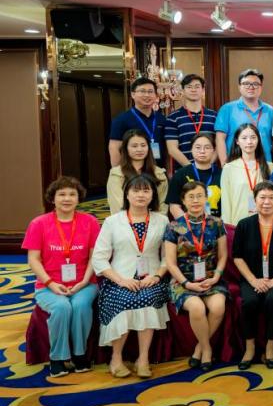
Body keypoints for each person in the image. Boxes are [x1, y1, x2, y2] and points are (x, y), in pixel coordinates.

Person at [91, 175, 170, 378]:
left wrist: (157, 276)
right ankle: (116, 358)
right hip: (120, 277)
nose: (141, 195)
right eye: (136, 190)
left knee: (148, 300)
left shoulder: (162, 220)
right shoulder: (112, 222)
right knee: (124, 301)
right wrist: (121, 280)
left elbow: (167, 257)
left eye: (146, 190)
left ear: (153, 195)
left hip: (151, 277)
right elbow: (99, 258)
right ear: (127, 194)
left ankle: (143, 359)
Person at [23, 176, 101, 377]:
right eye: (62, 194)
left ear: (79, 198)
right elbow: (33, 259)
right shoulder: (39, 223)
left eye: (72, 194)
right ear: (53, 198)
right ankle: (57, 358)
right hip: (48, 285)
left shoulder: (90, 222)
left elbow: (95, 257)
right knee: (61, 307)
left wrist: (84, 281)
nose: (67, 199)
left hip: (84, 283)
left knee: (81, 305)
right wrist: (51, 283)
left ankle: (79, 355)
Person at [162, 180, 228, 371]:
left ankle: (198, 348)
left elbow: (223, 255)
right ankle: (206, 350)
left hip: (211, 279)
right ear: (183, 200)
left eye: (199, 196)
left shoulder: (216, 223)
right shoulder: (174, 226)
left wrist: (216, 276)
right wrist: (187, 283)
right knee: (197, 308)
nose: (196, 200)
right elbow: (170, 263)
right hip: (183, 281)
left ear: (206, 198)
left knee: (218, 307)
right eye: (191, 197)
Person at [232, 181, 273, 370]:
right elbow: (237, 257)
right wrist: (253, 280)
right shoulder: (244, 225)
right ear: (255, 200)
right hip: (252, 278)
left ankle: (271, 346)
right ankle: (250, 347)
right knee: (249, 301)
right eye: (262, 197)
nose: (266, 202)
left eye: (271, 198)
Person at [215, 68, 273, 164]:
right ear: (239, 87)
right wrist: (224, 164)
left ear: (261, 87)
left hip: (264, 165)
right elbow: (220, 139)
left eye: (255, 84)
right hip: (236, 165)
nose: (251, 87)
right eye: (246, 83)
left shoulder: (271, 111)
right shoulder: (227, 109)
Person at [219, 123, 273, 226]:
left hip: (265, 223)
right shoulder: (229, 168)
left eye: (253, 137)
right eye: (244, 138)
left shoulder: (269, 167)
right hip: (238, 224)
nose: (249, 142)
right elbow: (226, 202)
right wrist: (228, 227)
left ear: (258, 140)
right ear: (237, 141)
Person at [108, 77, 168, 166]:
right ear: (133, 94)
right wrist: (117, 171)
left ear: (156, 95)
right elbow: (114, 148)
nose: (147, 95)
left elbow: (167, 147)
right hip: (133, 170)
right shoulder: (121, 120)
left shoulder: (162, 118)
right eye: (142, 91)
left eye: (150, 91)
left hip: (159, 170)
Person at [106, 129, 168, 215]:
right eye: (134, 146)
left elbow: (162, 205)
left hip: (155, 220)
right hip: (125, 221)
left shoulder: (159, 173)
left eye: (143, 145)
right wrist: (135, 220)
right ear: (126, 148)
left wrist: (154, 221)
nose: (139, 149)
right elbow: (117, 206)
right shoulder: (116, 174)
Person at [166, 133, 221, 219]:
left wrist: (218, 224)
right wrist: (189, 224)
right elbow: (174, 207)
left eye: (207, 147)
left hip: (217, 223)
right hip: (188, 224)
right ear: (191, 149)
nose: (202, 151)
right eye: (198, 147)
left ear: (213, 150)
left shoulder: (222, 174)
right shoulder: (180, 175)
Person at [165, 74, 217, 166]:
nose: (193, 90)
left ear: (203, 90)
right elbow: (172, 149)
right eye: (189, 87)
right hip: (184, 170)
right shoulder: (173, 118)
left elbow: (219, 144)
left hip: (210, 169)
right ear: (183, 91)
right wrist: (191, 169)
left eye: (197, 87)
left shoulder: (214, 116)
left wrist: (207, 166)